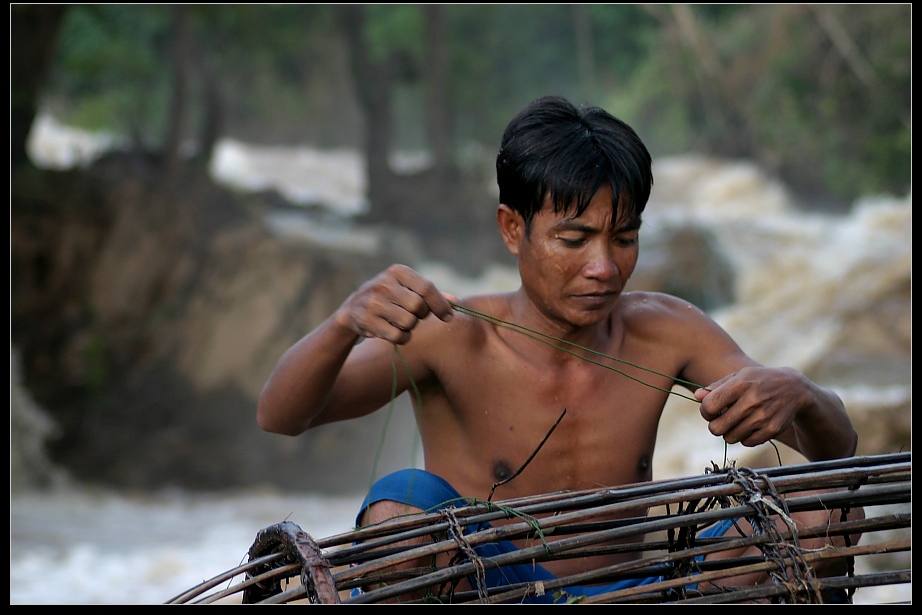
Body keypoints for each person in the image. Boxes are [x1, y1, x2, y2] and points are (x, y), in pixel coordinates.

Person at [257, 96, 861, 603]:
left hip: (638, 592)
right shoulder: (450, 331)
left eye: (623, 239)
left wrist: (799, 393)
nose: (603, 267)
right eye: (573, 239)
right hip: (493, 591)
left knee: (817, 510)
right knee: (400, 508)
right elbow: (282, 416)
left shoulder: (669, 328)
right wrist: (342, 324)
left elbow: (837, 454)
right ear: (512, 229)